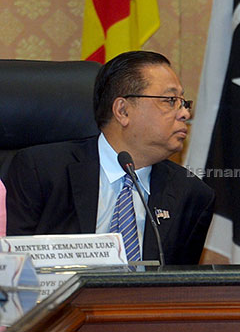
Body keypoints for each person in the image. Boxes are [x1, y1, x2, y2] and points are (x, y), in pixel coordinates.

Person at [5, 51, 215, 265]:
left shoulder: (192, 195)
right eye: (170, 100)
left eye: (183, 102)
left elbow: (182, 288)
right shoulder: (41, 170)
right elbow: (13, 269)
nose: (185, 114)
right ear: (122, 111)